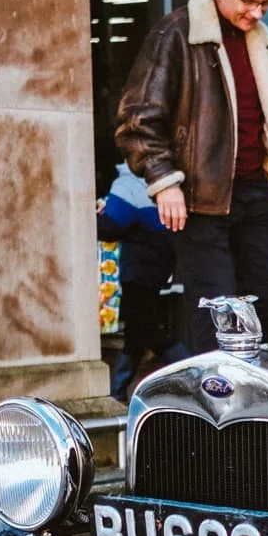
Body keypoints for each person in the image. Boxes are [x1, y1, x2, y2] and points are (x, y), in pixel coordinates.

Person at [115, 0, 268, 355]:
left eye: (266, 2)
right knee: (215, 310)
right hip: (200, 196)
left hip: (256, 188)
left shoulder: (261, 46)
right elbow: (137, 119)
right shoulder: (177, 35)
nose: (257, 13)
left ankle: (242, 365)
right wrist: (164, 182)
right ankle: (212, 404)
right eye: (249, 1)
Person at [96, 162, 183, 401]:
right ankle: (117, 390)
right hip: (158, 264)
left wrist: (95, 214)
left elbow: (111, 225)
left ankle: (191, 366)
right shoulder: (160, 182)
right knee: (140, 329)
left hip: (136, 267)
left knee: (146, 329)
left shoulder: (126, 183)